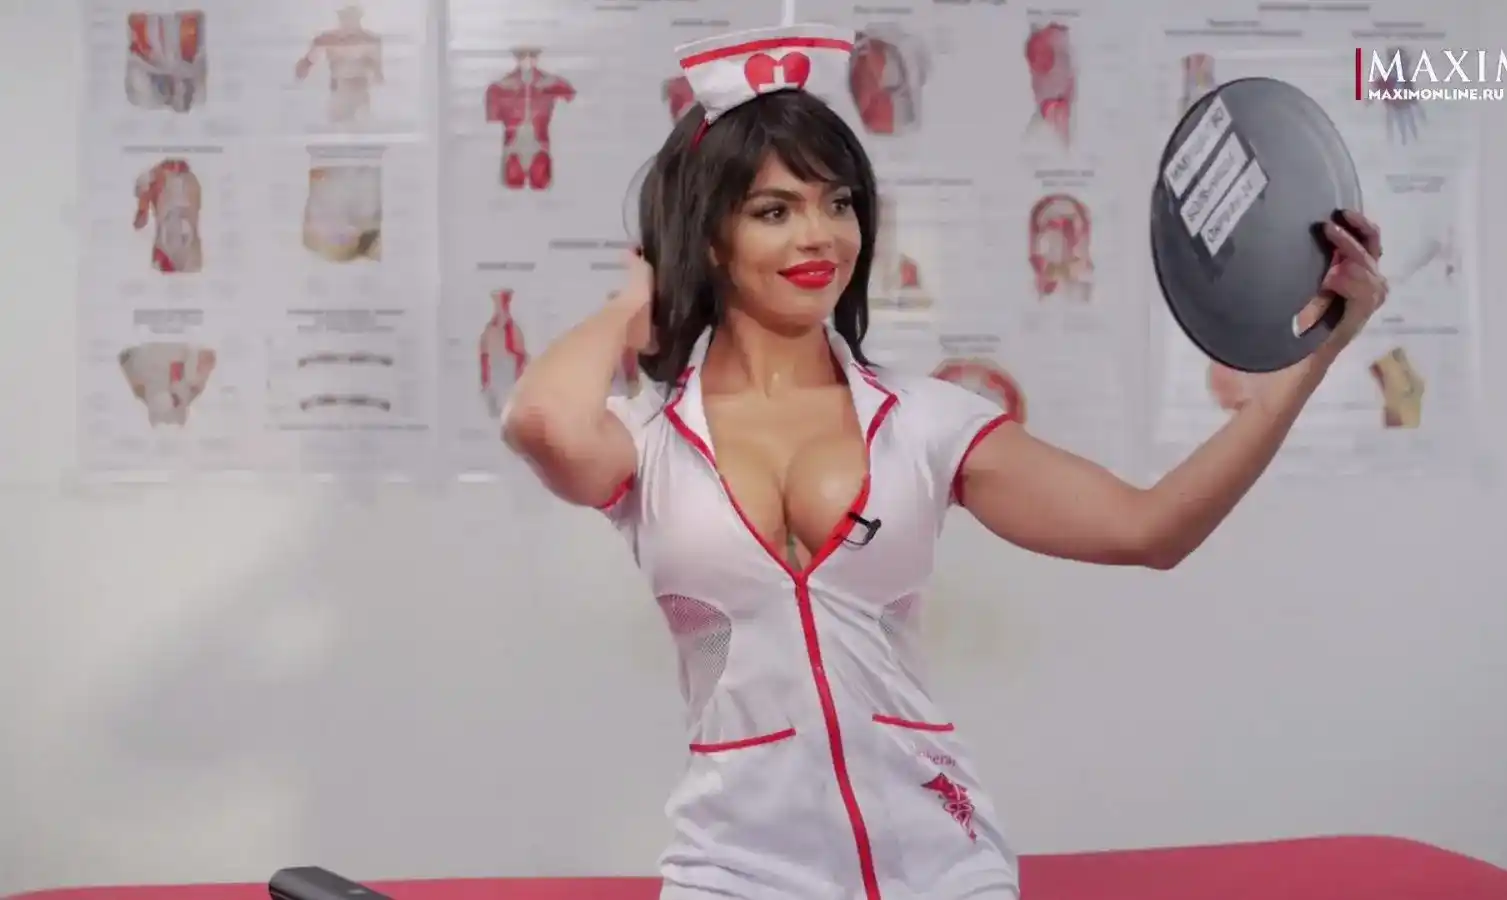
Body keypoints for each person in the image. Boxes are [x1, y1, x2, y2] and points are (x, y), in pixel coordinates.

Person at [500, 23, 1387, 900]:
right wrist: (634, 304)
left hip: (938, 866)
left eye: (838, 203)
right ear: (707, 238)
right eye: (775, 211)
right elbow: (539, 421)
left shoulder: (926, 423)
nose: (821, 236)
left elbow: (1149, 530)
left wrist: (1312, 361)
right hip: (731, 873)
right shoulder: (650, 441)